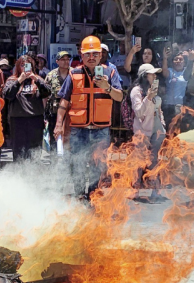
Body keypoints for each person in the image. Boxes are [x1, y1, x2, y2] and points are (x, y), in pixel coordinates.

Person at [55, 35, 124, 199]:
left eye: (95, 54)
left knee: (97, 165)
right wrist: (58, 125)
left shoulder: (111, 72)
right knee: (77, 164)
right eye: (88, 54)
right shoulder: (74, 74)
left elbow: (119, 97)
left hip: (101, 130)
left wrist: (107, 87)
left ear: (100, 55)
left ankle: (93, 197)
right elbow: (64, 101)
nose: (91, 58)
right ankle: (79, 196)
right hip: (79, 130)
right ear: (81, 55)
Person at [3, 55, 50, 161]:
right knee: (19, 152)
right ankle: (19, 175)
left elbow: (47, 92)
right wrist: (19, 80)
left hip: (35, 121)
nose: (25, 68)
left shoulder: (38, 79)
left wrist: (35, 79)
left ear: (32, 67)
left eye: (27, 65)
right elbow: (7, 95)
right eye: (22, 65)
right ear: (18, 66)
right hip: (18, 121)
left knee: (34, 152)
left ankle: (33, 175)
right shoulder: (12, 80)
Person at [130, 64, 166, 201]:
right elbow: (139, 111)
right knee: (139, 161)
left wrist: (163, 125)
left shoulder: (154, 90)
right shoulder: (136, 91)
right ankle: (135, 190)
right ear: (145, 76)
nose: (155, 76)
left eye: (155, 74)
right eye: (152, 74)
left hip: (157, 130)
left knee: (155, 161)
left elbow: (159, 109)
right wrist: (148, 97)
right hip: (143, 131)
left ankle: (155, 191)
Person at [45, 51, 72, 150]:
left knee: (70, 140)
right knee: (54, 139)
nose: (66, 62)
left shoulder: (74, 74)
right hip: (54, 112)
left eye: (68, 59)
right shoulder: (51, 75)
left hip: (71, 113)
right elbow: (45, 95)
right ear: (57, 61)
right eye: (63, 59)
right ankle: (54, 161)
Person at [160, 44, 188, 124]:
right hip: (169, 105)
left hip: (182, 105)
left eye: (180, 59)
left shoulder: (187, 71)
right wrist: (165, 58)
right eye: (176, 59)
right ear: (172, 62)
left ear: (184, 62)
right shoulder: (170, 71)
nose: (178, 61)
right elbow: (164, 71)